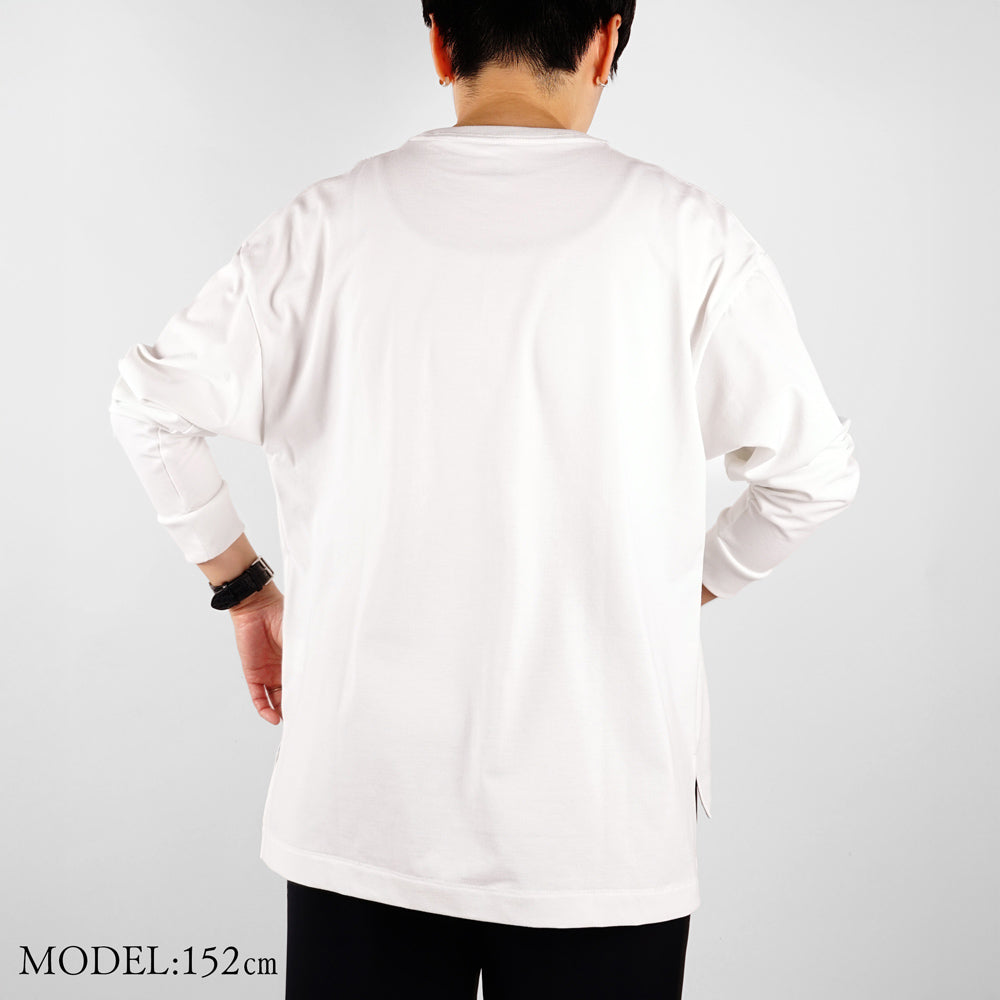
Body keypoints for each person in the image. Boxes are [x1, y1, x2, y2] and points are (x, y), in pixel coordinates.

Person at [108, 2, 861, 997]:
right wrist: (683, 586)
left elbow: (149, 405)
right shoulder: (692, 240)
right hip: (599, 834)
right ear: (606, 39)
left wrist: (245, 590)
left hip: (361, 818)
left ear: (437, 40)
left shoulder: (322, 228)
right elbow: (811, 475)